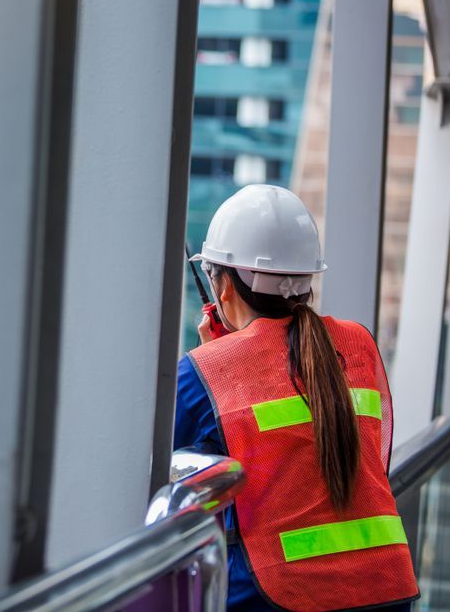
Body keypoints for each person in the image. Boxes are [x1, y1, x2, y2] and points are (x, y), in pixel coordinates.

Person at [175, 184, 418, 612]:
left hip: (279, 597)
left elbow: (162, 470)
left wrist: (217, 357)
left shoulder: (204, 372)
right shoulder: (358, 343)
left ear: (224, 287)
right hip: (387, 586)